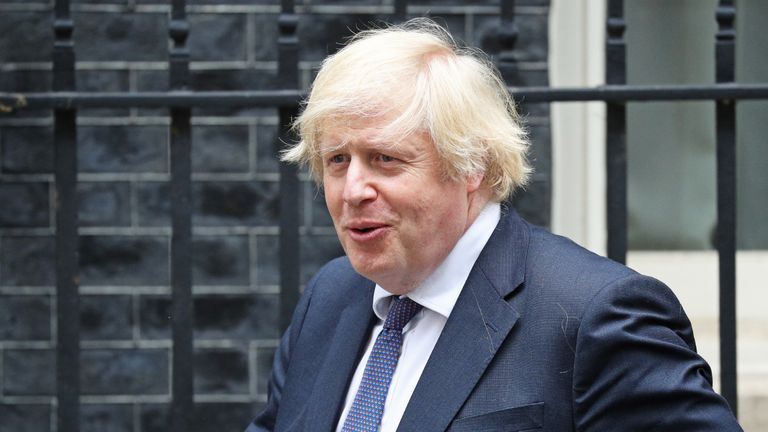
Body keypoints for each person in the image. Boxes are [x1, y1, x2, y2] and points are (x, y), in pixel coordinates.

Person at [245, 18, 742, 432]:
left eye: (385, 158)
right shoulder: (331, 297)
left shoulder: (595, 315)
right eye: (336, 160)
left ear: (471, 167)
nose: (353, 189)